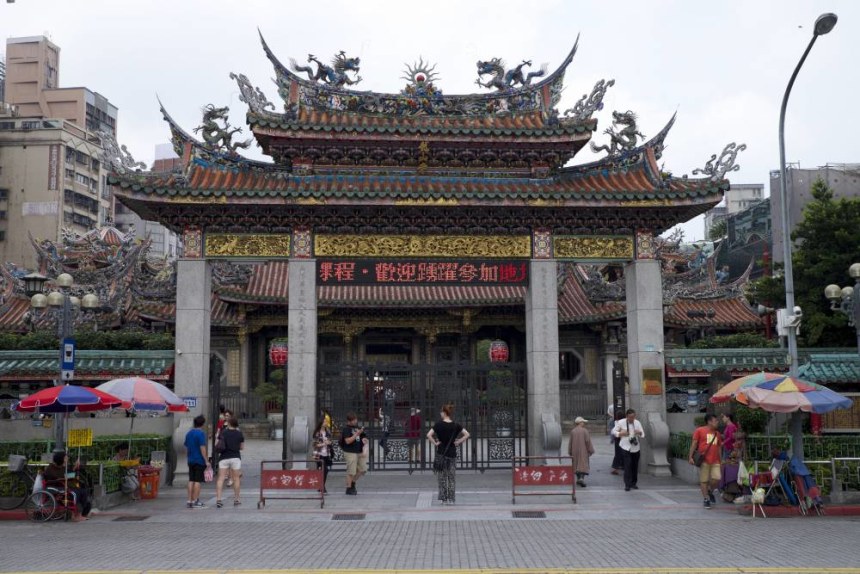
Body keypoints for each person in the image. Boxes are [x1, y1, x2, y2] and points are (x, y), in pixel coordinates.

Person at [426, 402, 470, 505]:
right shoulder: (455, 425)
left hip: (441, 453)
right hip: (452, 454)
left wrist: (436, 443)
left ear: (444, 413)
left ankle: (443, 499)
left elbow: (429, 435)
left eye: (441, 412)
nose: (440, 413)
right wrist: (459, 441)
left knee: (441, 478)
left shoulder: (438, 425)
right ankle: (451, 499)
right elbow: (467, 434)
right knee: (451, 477)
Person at [42, 451, 91, 521]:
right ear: (60, 459)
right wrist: (68, 476)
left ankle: (83, 514)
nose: (67, 459)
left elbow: (67, 475)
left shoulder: (62, 467)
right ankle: (74, 515)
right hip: (53, 486)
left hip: (62, 485)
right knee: (74, 493)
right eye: (65, 458)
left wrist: (74, 468)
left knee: (83, 491)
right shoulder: (50, 468)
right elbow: (61, 477)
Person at [689, 413, 723, 509]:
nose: (717, 423)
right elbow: (694, 444)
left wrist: (721, 460)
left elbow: (719, 447)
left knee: (716, 478)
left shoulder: (717, 434)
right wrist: (690, 457)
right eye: (715, 421)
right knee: (704, 480)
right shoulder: (700, 430)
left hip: (715, 460)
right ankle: (706, 499)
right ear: (709, 422)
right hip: (704, 460)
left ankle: (709, 490)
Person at [215, 416, 244, 508]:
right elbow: (242, 447)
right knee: (236, 479)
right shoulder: (239, 434)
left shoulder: (223, 433)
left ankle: (219, 499)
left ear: (229, 423)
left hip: (224, 457)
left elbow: (217, 444)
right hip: (235, 457)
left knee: (221, 479)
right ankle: (237, 499)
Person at [612, 408, 644, 491]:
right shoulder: (621, 422)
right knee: (627, 465)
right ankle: (627, 484)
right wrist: (620, 433)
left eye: (633, 417)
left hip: (635, 447)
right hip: (625, 447)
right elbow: (613, 431)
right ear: (627, 416)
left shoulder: (637, 423)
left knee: (635, 466)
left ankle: (634, 483)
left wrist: (639, 432)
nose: (631, 419)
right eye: (630, 417)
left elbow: (643, 434)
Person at [184, 414, 210, 509]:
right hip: (199, 460)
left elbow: (186, 447)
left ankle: (189, 500)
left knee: (191, 480)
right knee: (197, 481)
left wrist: (188, 457)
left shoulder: (189, 433)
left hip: (190, 459)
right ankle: (195, 500)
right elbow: (202, 448)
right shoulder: (200, 434)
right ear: (202, 424)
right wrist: (206, 460)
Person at [340, 412, 367, 495]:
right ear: (349, 421)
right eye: (354, 420)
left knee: (363, 469)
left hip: (359, 451)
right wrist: (357, 434)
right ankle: (349, 488)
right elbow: (347, 441)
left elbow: (364, 438)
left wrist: (364, 440)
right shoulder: (346, 429)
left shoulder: (357, 428)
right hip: (350, 452)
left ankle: (352, 483)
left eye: (356, 419)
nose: (356, 421)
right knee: (351, 471)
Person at [568, 416, 595, 487]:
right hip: (583, 450)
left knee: (576, 464)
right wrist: (591, 450)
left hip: (574, 451)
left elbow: (570, 442)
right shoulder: (585, 431)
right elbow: (587, 441)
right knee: (583, 464)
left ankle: (578, 478)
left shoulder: (573, 431)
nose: (584, 423)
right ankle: (581, 479)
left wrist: (570, 451)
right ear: (580, 423)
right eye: (583, 422)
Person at [312, 417, 333, 493]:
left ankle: (321, 486)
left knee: (325, 471)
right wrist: (324, 443)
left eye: (326, 422)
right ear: (321, 423)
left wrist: (329, 442)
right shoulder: (317, 433)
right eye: (324, 422)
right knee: (324, 470)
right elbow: (315, 444)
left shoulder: (328, 431)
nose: (326, 423)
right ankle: (322, 487)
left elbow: (331, 441)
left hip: (327, 454)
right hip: (319, 454)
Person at [610, 409, 624, 475]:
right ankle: (620, 467)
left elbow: (612, 431)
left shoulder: (616, 422)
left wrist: (612, 439)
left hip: (618, 439)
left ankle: (615, 468)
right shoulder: (624, 422)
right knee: (624, 453)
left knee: (618, 454)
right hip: (623, 438)